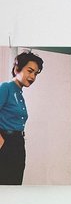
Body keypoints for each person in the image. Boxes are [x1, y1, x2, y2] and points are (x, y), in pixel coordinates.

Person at [0, 51, 42, 185]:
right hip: (6, 142)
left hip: (18, 143)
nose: (33, 76)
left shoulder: (19, 93)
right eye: (30, 71)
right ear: (17, 69)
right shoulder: (6, 88)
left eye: (35, 73)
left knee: (15, 183)